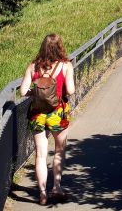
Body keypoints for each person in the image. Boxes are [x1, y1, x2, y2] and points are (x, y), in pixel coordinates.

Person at [20, 34, 76, 205]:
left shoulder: (33, 66)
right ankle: (57, 188)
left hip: (37, 114)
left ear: (43, 47)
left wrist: (36, 92)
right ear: (60, 47)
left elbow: (22, 91)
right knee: (59, 151)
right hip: (58, 113)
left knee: (40, 154)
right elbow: (71, 90)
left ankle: (42, 193)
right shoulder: (66, 65)